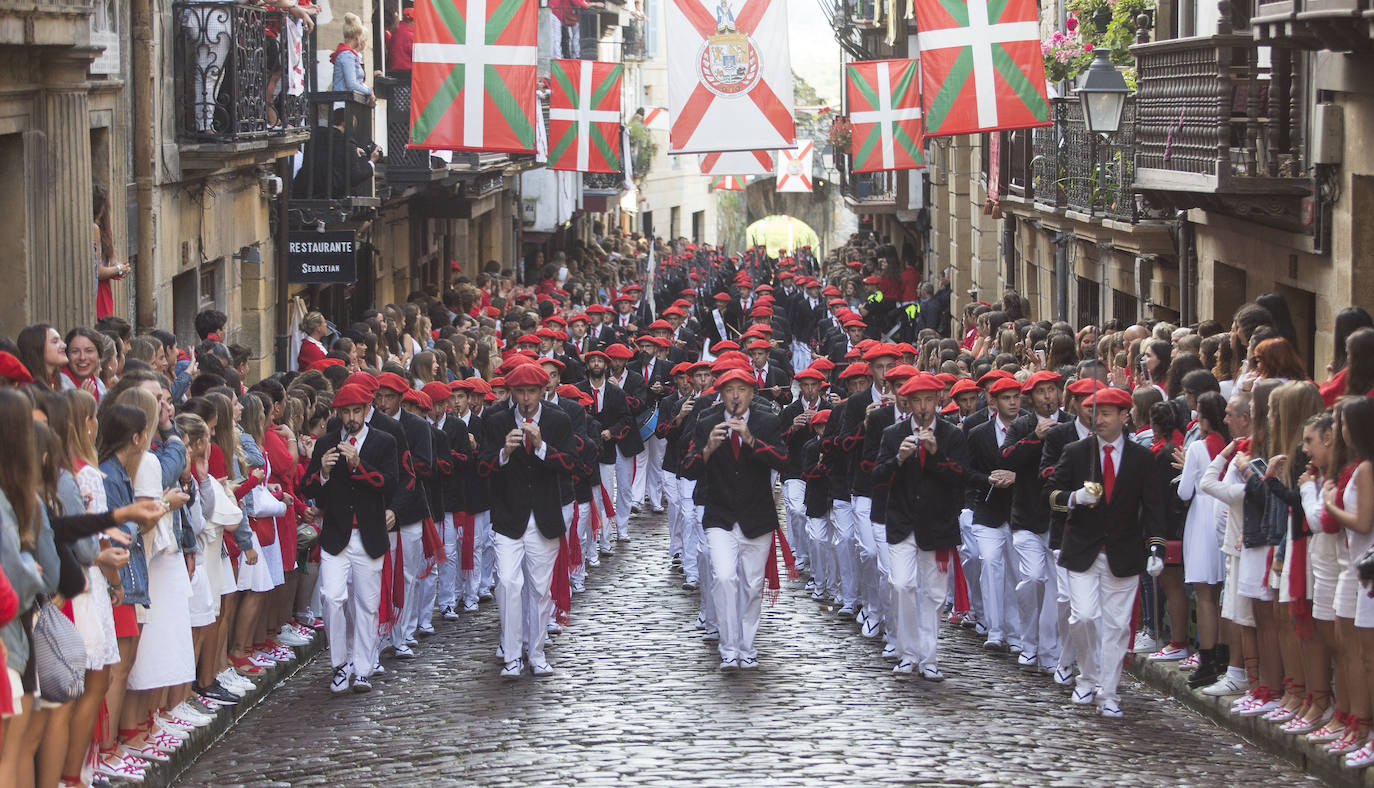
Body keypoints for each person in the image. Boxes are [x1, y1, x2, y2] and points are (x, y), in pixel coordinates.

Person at [1047, 386, 1164, 718]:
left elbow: (1153, 507)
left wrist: (1155, 547)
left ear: (1124, 416)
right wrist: (1074, 498)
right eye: (1094, 413)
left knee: (1116, 626)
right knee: (1082, 616)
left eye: (1106, 414)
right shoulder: (1076, 451)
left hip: (1124, 552)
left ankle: (1109, 692)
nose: (1097, 419)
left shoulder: (1142, 458)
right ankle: (1086, 677)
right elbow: (1051, 494)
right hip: (1082, 547)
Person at [683, 367, 788, 670]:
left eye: (741, 389)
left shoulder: (767, 421)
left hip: (757, 515)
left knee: (753, 585)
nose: (735, 396)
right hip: (720, 514)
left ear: (752, 394)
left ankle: (747, 645)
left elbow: (783, 459)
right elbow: (688, 467)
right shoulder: (707, 421)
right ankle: (728, 646)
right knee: (725, 576)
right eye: (729, 390)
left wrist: (751, 440)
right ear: (722, 393)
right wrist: (708, 449)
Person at [477, 363, 574, 679]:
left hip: (544, 517)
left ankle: (536, 653)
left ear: (543, 390)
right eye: (520, 392)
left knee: (539, 589)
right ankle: (511, 655)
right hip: (508, 516)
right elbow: (483, 467)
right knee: (507, 582)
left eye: (532, 391)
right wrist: (503, 453)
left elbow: (571, 464)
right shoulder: (496, 421)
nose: (526, 398)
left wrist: (542, 446)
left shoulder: (558, 420)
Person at [302, 383, 398, 694]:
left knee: (367, 606)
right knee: (332, 598)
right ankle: (340, 665)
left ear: (368, 410)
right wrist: (324, 474)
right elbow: (309, 487)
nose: (351, 417)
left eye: (357, 411)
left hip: (369, 535)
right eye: (346, 412)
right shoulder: (326, 443)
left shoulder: (384, 441)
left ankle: (363, 669)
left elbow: (389, 484)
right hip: (336, 535)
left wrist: (359, 465)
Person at [875, 372, 967, 681]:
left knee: (935, 595)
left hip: (937, 524)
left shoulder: (952, 434)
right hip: (901, 521)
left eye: (929, 400)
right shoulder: (893, 433)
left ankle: (928, 657)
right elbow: (877, 476)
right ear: (908, 402)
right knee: (901, 585)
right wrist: (899, 459)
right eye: (918, 400)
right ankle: (907, 652)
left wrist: (935, 454)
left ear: (938, 400)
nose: (924, 406)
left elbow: (960, 476)